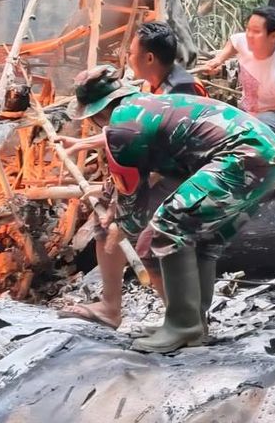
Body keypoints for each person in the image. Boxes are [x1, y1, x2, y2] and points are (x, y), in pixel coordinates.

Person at [57, 65, 275, 353]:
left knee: (167, 226)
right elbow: (134, 179)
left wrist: (123, 230)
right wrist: (114, 203)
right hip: (268, 154)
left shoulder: (121, 127)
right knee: (202, 239)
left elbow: (132, 205)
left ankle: (181, 325)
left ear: (95, 113)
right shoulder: (141, 106)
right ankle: (193, 325)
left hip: (242, 157)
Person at [58, 42, 204, 329]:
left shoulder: (180, 86)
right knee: (112, 228)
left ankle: (181, 322)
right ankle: (123, 309)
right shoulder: (138, 103)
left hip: (187, 172)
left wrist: (117, 216)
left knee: (144, 240)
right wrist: (86, 148)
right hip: (181, 167)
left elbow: (137, 165)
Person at [199, 6, 275, 187]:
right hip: (249, 113)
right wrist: (219, 59)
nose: (248, 35)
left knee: (253, 133)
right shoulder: (246, 42)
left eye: (256, 31)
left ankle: (261, 174)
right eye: (247, 28)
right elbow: (234, 42)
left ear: (273, 36)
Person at [127, 20, 208, 97]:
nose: (129, 59)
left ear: (149, 58)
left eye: (131, 53)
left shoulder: (181, 94)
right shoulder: (151, 84)